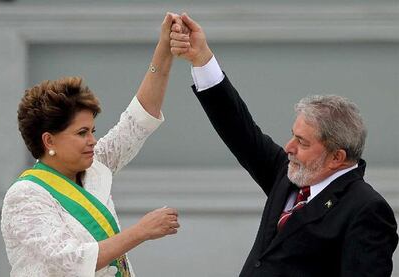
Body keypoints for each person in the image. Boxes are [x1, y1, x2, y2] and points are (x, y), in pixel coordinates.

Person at [170, 13, 398, 276]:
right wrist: (201, 59)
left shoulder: (366, 209)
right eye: (293, 135)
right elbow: (239, 130)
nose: (288, 147)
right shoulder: (289, 174)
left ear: (337, 157)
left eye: (302, 142)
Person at [1, 13, 181, 277]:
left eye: (92, 131)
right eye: (82, 133)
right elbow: (71, 261)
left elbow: (138, 121)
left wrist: (164, 51)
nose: (92, 140)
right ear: (49, 140)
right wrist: (141, 231)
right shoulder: (25, 196)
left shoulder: (95, 166)